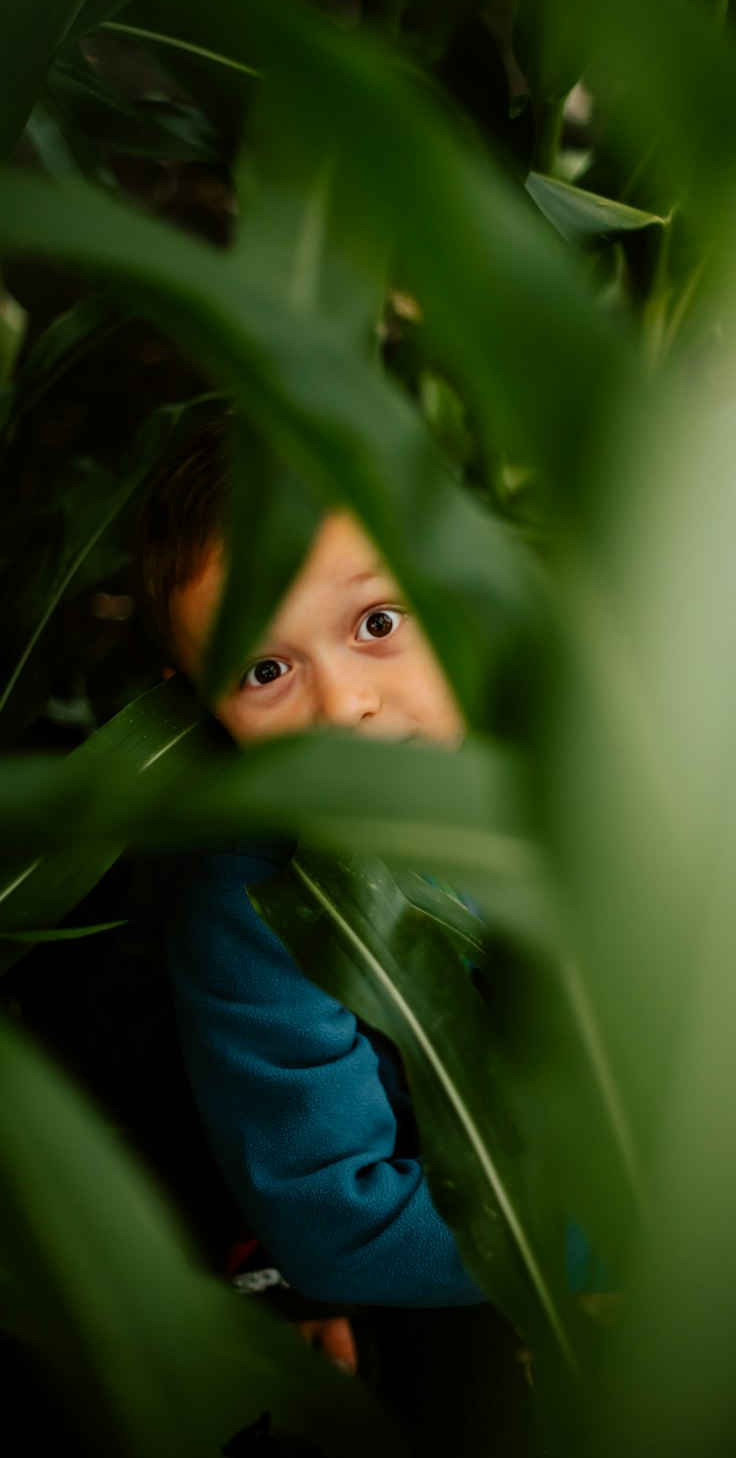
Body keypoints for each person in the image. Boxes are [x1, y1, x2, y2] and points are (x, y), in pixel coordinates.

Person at [132, 423, 492, 1338]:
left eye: (377, 625)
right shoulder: (257, 912)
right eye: (265, 671)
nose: (343, 706)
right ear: (202, 705)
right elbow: (344, 1223)